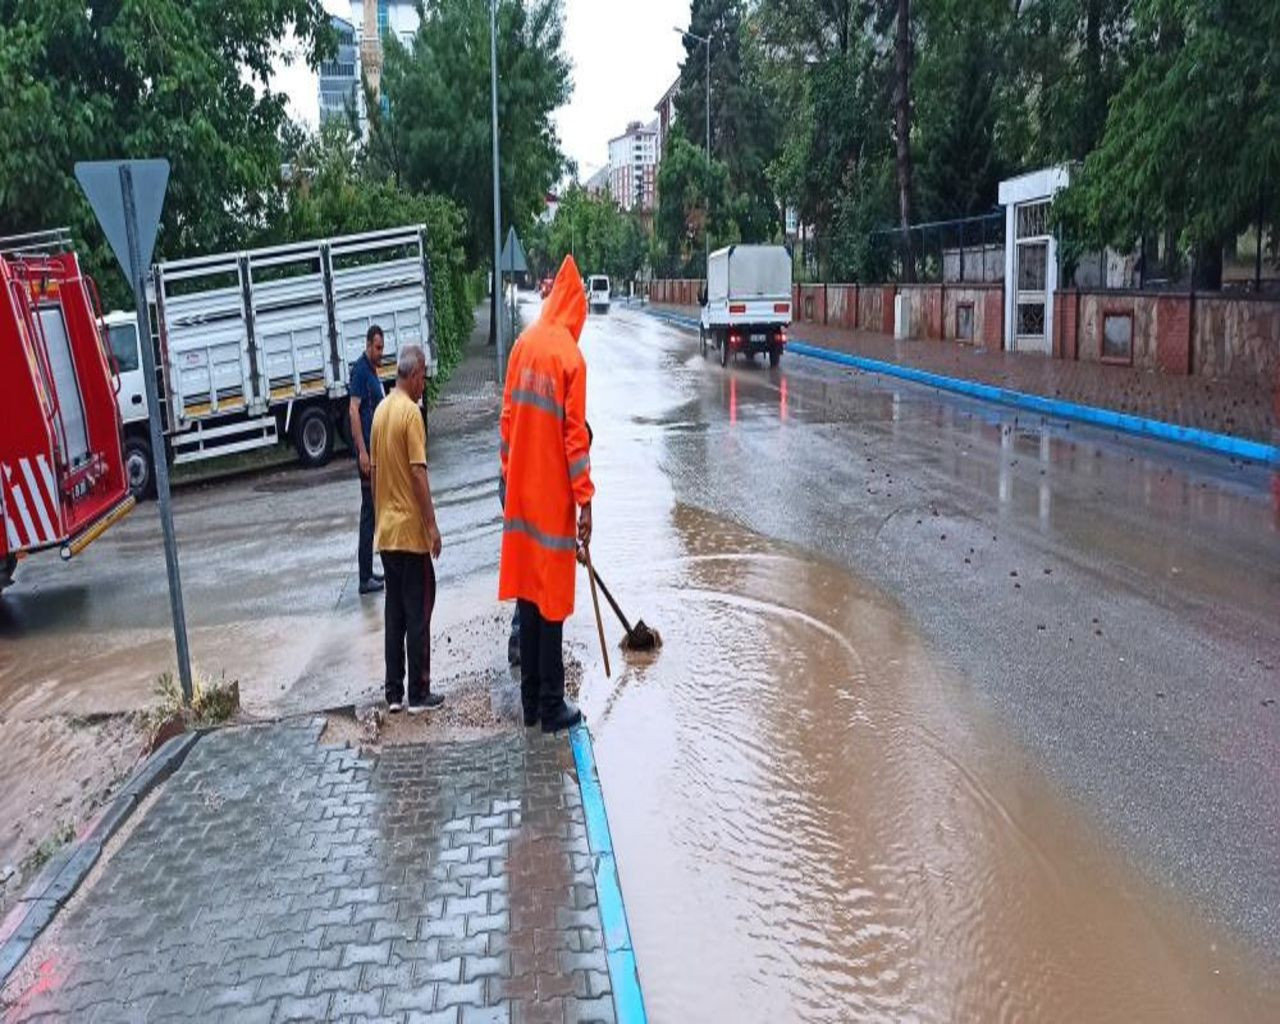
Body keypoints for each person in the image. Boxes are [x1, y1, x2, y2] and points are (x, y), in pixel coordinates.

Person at [499, 254, 594, 733]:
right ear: (574, 306)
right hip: (553, 501)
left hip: (520, 500)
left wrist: (510, 476)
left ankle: (531, 702)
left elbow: (507, 422)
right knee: (551, 602)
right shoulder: (569, 358)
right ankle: (553, 706)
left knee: (529, 601)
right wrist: (586, 502)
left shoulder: (522, 346)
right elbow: (574, 440)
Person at [370, 344, 444, 714]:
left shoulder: (381, 411)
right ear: (413, 375)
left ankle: (393, 693)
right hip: (410, 534)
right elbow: (418, 472)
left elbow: (374, 474)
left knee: (394, 613)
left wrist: (380, 515)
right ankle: (419, 692)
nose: (424, 384)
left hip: (386, 531)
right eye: (423, 377)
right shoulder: (411, 414)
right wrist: (431, 526)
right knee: (419, 610)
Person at [349, 325, 385, 595]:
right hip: (367, 457)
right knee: (369, 514)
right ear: (368, 344)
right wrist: (362, 451)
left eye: (382, 348)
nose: (380, 353)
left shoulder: (372, 370)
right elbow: (353, 412)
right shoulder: (361, 371)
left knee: (373, 513)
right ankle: (364, 578)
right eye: (377, 348)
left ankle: (369, 571)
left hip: (375, 456)